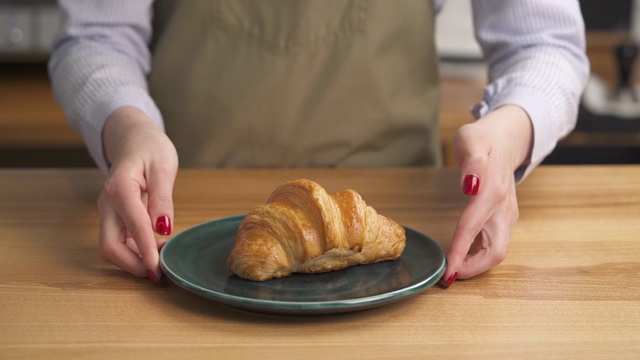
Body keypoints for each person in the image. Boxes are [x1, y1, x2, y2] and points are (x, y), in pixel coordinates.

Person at [48, 0, 589, 287]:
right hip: (182, 224)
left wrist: (508, 132)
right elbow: (97, 38)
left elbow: (544, 43)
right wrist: (130, 131)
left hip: (410, 234)